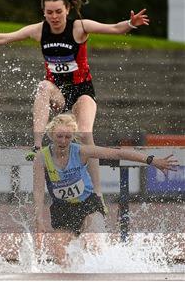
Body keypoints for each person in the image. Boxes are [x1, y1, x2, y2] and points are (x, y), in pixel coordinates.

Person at [0, 0, 150, 203]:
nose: (54, 17)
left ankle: (97, 194)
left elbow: (114, 29)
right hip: (58, 92)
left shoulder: (79, 27)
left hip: (82, 93)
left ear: (67, 9)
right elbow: (4, 37)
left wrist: (131, 22)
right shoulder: (39, 30)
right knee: (43, 86)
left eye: (58, 12)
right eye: (49, 13)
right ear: (43, 12)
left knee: (87, 137)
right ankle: (37, 145)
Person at [33, 113, 178, 265]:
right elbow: (37, 191)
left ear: (73, 136)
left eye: (68, 137)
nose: (63, 141)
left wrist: (152, 160)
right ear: (51, 134)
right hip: (62, 209)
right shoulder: (41, 158)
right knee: (61, 260)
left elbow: (117, 153)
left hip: (88, 205)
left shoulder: (81, 151)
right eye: (59, 136)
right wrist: (39, 220)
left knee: (94, 245)